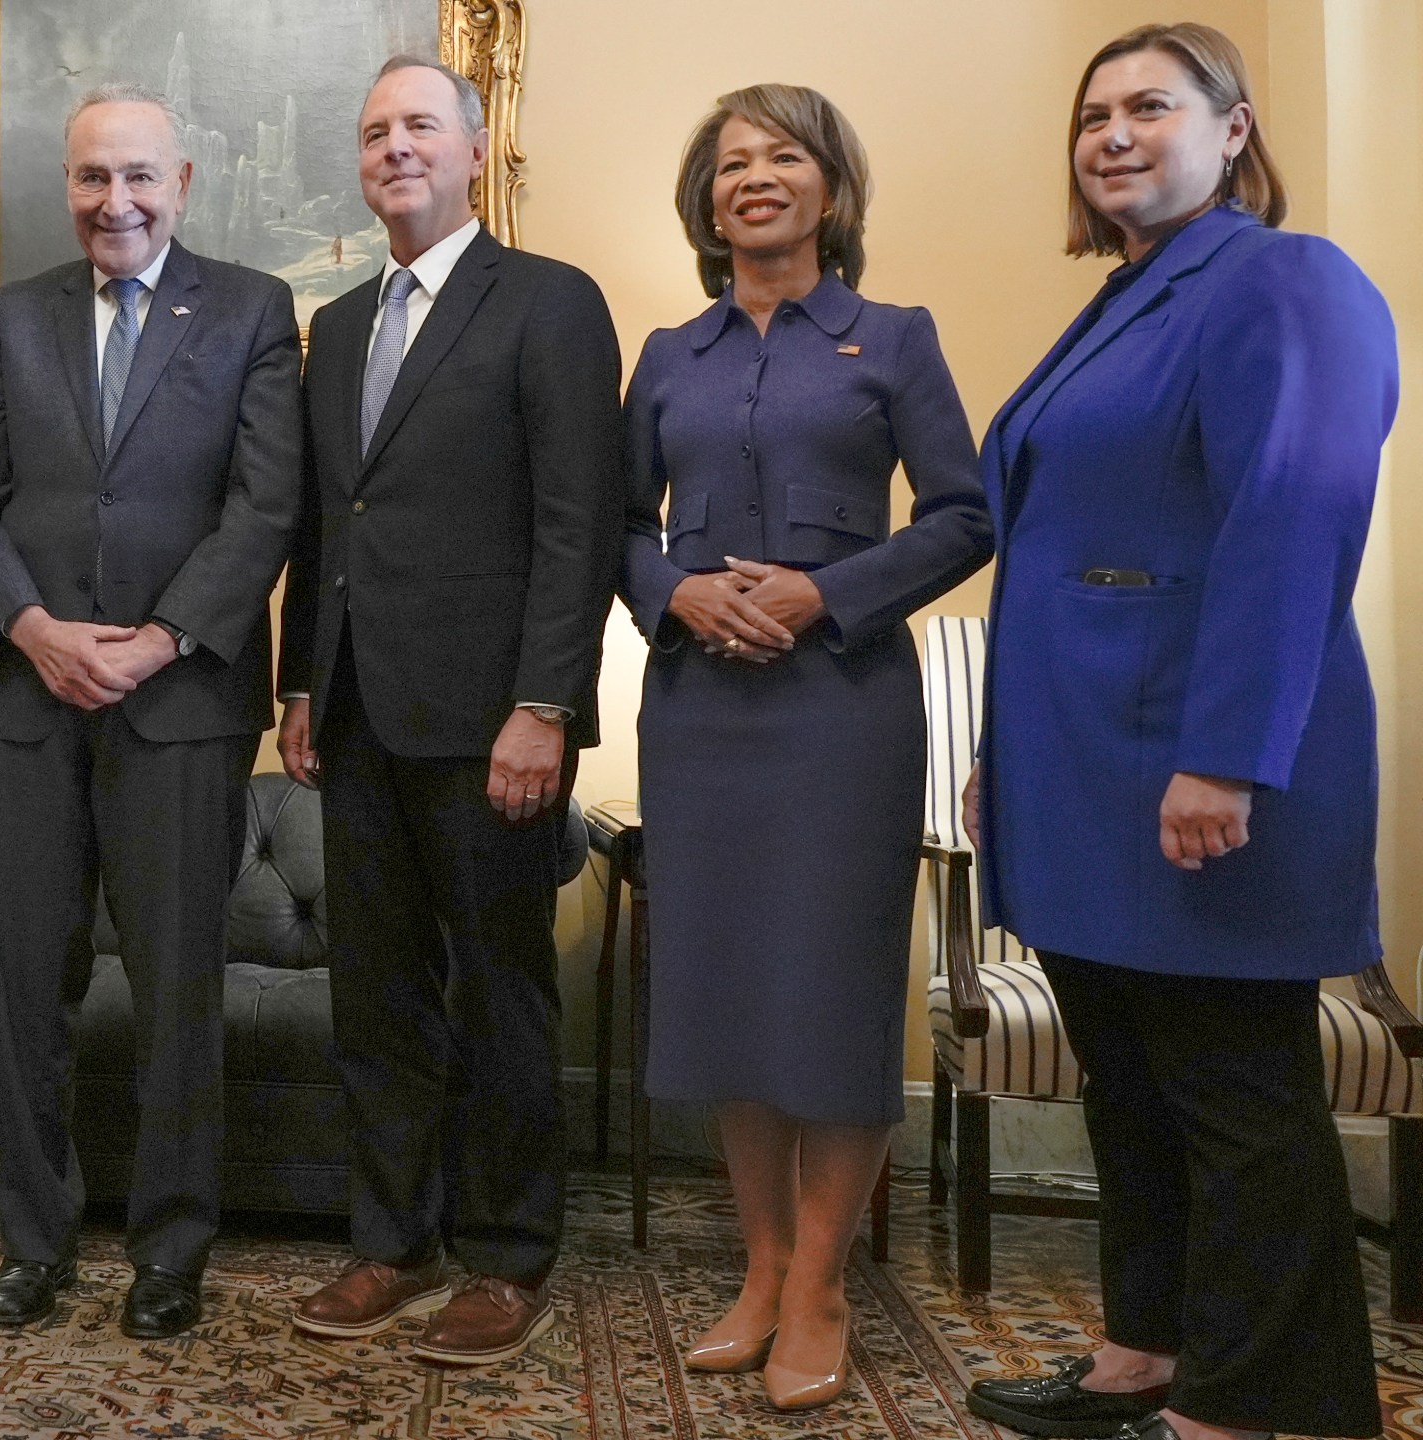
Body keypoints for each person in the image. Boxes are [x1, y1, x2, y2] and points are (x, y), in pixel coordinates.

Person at [959, 23, 1395, 1440]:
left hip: (1200, 770)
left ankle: (1259, 1406)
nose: (1113, 133)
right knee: (1132, 1087)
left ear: (1234, 127)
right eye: (1094, 114)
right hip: (1085, 771)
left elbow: (1293, 516)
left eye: (1151, 104)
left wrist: (1224, 756)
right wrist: (1004, 757)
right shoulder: (1124, 298)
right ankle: (1145, 1353)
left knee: (1234, 1101)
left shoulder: (1283, 280)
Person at [621, 84, 991, 1411]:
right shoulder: (669, 354)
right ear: (706, 203)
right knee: (724, 989)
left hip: (845, 715)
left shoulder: (893, 338)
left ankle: (826, 1282)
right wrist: (675, 590)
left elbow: (963, 516)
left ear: (830, 190)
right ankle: (764, 1269)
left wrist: (825, 593)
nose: (755, 179)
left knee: (827, 995)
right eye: (731, 165)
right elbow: (617, 525)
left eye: (783, 158)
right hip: (702, 714)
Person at [0, 83, 301, 1339]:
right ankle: (34, 1243)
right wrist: (33, 630)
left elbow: (263, 507)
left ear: (183, 183)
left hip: (182, 705)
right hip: (28, 700)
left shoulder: (251, 308)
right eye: (93, 178)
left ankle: (170, 1247)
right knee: (24, 990)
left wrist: (156, 642)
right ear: (67, 186)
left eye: (138, 177)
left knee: (178, 991)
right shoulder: (14, 314)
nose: (115, 201)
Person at [278, 55, 623, 1367]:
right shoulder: (342, 324)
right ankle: (393, 1241)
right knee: (376, 998)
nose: (394, 147)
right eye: (374, 132)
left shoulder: (547, 302)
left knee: (500, 996)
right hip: (359, 717)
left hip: (491, 722)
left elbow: (576, 523)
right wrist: (300, 680)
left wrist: (547, 705)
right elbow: (331, 520)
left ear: (476, 151)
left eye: (420, 124)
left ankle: (507, 1254)